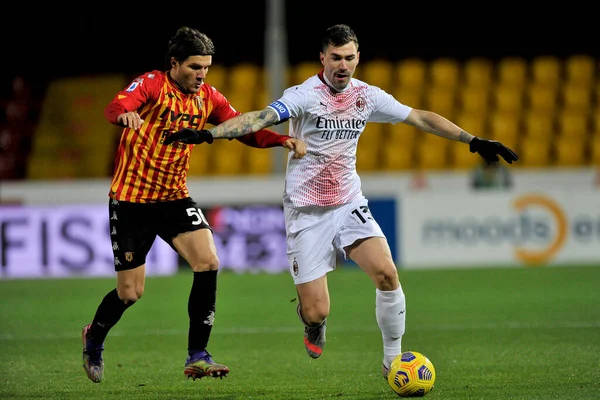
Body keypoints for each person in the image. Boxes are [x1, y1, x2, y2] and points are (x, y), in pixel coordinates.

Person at [165, 24, 518, 379]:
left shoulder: (368, 96)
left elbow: (419, 117)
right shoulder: (304, 95)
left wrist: (472, 140)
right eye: (335, 57)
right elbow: (260, 118)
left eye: (349, 58)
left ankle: (391, 362)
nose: (342, 65)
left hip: (349, 203)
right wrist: (209, 134)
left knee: (387, 273)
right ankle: (312, 324)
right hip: (306, 211)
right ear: (323, 58)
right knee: (317, 310)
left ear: (358, 58)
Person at [81, 26, 306, 384]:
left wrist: (280, 139)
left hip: (174, 197)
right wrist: (125, 115)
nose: (201, 75)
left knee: (208, 261)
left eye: (206, 67)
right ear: (175, 63)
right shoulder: (153, 85)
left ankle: (197, 355)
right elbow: (117, 106)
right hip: (132, 201)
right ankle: (94, 337)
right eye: (194, 67)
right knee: (130, 293)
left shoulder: (209, 97)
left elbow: (241, 128)